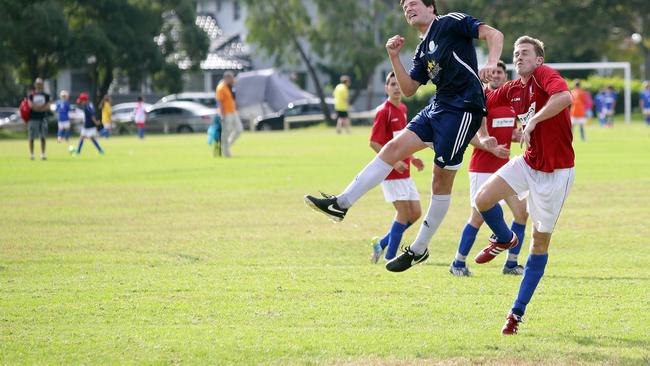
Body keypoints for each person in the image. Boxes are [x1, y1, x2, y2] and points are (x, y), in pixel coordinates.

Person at [304, 0, 504, 273]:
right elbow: (409, 88)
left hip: (463, 109)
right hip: (438, 106)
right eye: (404, 7)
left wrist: (492, 61)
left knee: (439, 181)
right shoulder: (422, 48)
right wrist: (394, 57)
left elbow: (495, 34)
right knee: (392, 148)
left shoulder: (450, 22)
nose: (408, 8)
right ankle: (341, 203)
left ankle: (419, 249)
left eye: (413, 3)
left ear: (431, 8)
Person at [472, 36, 574, 335]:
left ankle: (516, 313)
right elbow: (481, 105)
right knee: (482, 199)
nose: (518, 57)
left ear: (539, 59)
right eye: (515, 53)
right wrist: (479, 83)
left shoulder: (545, 75)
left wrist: (532, 121)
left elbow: (565, 98)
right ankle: (504, 239)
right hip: (528, 163)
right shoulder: (514, 88)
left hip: (556, 173)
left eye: (525, 53)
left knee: (539, 243)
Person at [449, 60, 527, 277]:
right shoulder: (479, 98)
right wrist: (490, 149)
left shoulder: (511, 99)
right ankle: (458, 263)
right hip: (482, 168)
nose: (495, 75)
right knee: (478, 217)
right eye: (491, 72)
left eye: (499, 72)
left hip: (506, 169)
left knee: (522, 213)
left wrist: (516, 135)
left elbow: (508, 131)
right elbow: (469, 134)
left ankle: (511, 263)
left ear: (505, 75)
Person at [370, 71, 425, 263]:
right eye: (392, 84)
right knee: (403, 213)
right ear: (386, 88)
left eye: (397, 84)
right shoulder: (383, 111)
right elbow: (375, 143)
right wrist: (393, 161)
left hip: (405, 172)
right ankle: (391, 257)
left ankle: (383, 243)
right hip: (391, 173)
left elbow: (401, 141)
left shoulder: (401, 109)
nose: (395, 87)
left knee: (415, 213)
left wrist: (413, 158)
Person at [216, 71, 243, 157]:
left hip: (233, 112)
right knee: (226, 133)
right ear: (226, 78)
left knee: (239, 129)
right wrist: (222, 115)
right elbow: (220, 103)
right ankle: (226, 152)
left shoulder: (229, 86)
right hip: (226, 113)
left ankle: (227, 145)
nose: (233, 79)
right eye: (231, 78)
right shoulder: (221, 88)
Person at [27, 78, 51, 160]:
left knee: (43, 137)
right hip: (32, 118)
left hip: (43, 118)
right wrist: (39, 108)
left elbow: (48, 106)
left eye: (40, 84)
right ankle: (32, 154)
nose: (39, 85)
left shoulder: (46, 95)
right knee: (31, 137)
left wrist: (39, 108)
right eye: (37, 84)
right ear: (35, 85)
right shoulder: (31, 95)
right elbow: (30, 105)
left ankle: (43, 154)